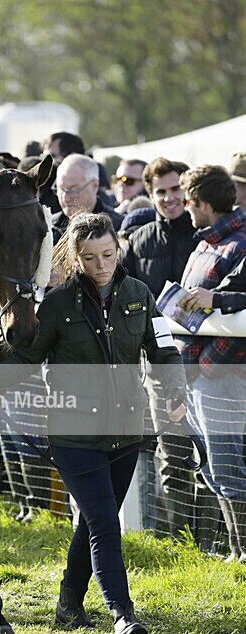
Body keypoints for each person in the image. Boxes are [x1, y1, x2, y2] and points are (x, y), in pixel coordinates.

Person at [0, 212, 187, 634]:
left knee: (91, 521)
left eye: (108, 253)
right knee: (106, 524)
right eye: (89, 257)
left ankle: (69, 603)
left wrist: (174, 394)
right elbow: (29, 357)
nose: (101, 264)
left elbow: (163, 351)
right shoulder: (57, 304)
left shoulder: (140, 295)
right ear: (74, 257)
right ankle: (123, 615)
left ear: (118, 248)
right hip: (72, 434)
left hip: (126, 428)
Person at [123, 157, 199, 540]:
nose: (169, 198)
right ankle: (179, 539)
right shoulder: (137, 242)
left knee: (220, 458)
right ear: (149, 194)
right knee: (172, 455)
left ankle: (218, 539)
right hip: (158, 368)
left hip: (211, 364)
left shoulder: (207, 235)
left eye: (175, 189)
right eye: (160, 192)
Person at [178, 165, 246, 562]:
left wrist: (215, 301)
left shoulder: (240, 243)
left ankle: (243, 552)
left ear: (202, 204)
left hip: (223, 375)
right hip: (197, 373)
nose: (185, 209)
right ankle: (237, 553)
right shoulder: (204, 244)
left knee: (228, 471)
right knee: (212, 470)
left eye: (188, 202)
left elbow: (231, 299)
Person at [52, 154, 123, 245]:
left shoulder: (118, 227)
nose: (65, 197)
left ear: (94, 186)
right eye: (61, 189)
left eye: (73, 190)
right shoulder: (49, 228)